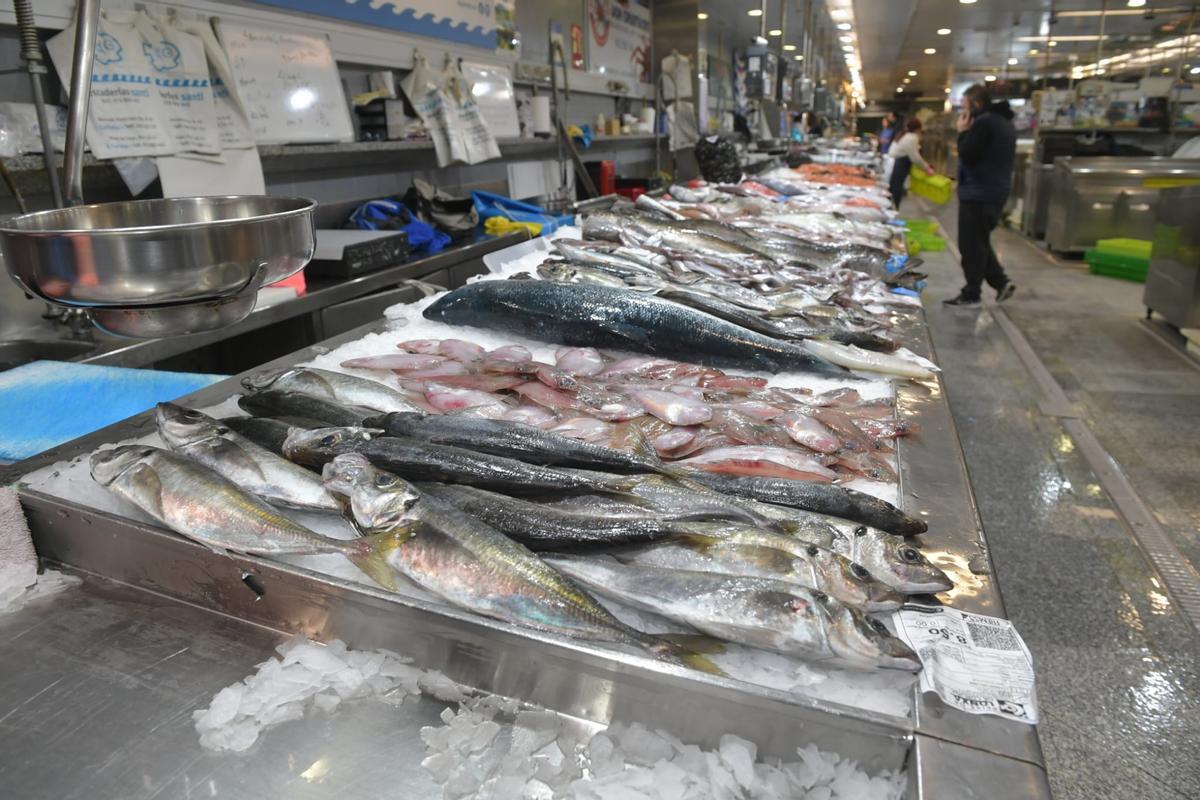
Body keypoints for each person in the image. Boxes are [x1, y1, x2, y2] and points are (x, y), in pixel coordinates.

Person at [944, 84, 1017, 307]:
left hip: (979, 193)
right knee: (979, 241)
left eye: (965, 107)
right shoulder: (1004, 122)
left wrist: (963, 131)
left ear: (976, 104)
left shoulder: (984, 123)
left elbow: (968, 154)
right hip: (994, 192)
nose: (963, 113)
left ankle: (971, 293)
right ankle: (1001, 282)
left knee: (971, 245)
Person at [887, 117, 935, 209]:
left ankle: (893, 210)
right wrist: (927, 168)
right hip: (898, 164)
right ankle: (894, 211)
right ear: (918, 128)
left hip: (892, 163)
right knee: (896, 189)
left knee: (893, 188)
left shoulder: (903, 134)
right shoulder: (912, 137)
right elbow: (915, 158)